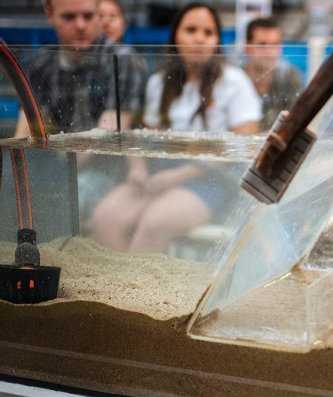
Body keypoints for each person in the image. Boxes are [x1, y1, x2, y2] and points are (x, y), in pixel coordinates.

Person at [91, 3, 261, 253]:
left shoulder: (234, 82)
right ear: (175, 37)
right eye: (191, 30)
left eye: (208, 32)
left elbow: (242, 146)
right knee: (105, 218)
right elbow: (147, 139)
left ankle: (140, 290)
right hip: (159, 175)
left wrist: (179, 176)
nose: (200, 39)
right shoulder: (159, 82)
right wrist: (137, 169)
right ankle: (119, 287)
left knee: (155, 222)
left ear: (217, 40)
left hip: (213, 179)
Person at [14, 0, 145, 226]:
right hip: (52, 165)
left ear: (98, 13)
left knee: (65, 198)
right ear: (49, 14)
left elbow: (110, 126)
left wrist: (56, 173)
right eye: (69, 17)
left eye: (88, 16)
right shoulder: (41, 63)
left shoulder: (121, 59)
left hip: (104, 170)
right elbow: (25, 126)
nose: (81, 25)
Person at [243, 17, 304, 131]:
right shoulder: (236, 78)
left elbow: (296, 122)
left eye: (275, 44)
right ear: (247, 47)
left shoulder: (290, 77)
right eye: (262, 45)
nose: (269, 51)